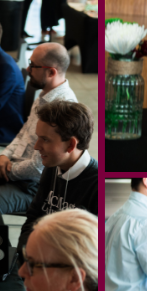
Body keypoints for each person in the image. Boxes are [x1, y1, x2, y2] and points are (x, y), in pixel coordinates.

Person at [0, 43, 77, 215]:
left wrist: (1, 169)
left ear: (51, 72)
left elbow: (39, 168)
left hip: (34, 187)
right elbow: (23, 132)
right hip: (15, 168)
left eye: (33, 65)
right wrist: (3, 156)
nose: (27, 68)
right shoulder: (45, 94)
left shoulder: (62, 108)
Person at [17, 100, 97, 249]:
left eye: (45, 140)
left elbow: (89, 249)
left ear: (71, 145)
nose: (36, 146)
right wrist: (25, 251)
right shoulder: (53, 166)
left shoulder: (97, 186)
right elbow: (34, 217)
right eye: (38, 138)